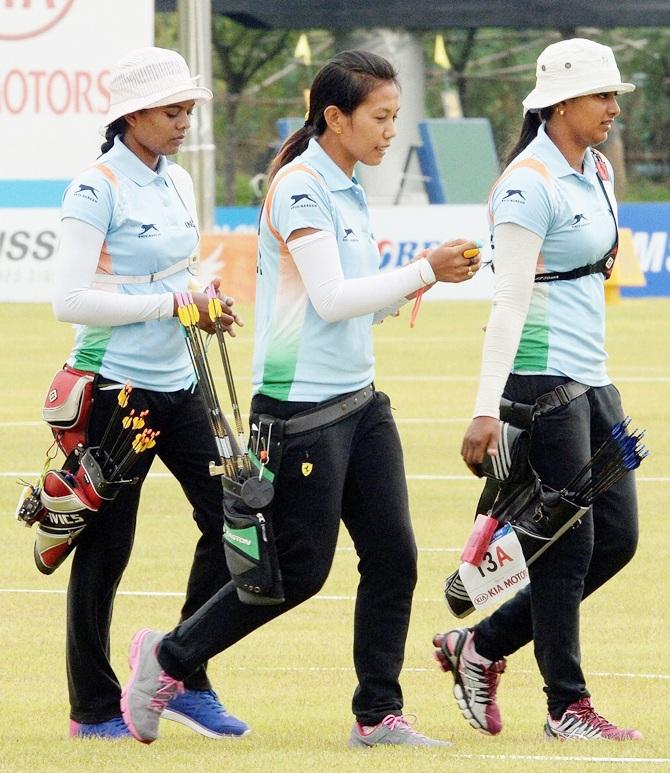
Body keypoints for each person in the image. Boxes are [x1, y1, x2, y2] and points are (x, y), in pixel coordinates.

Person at [119, 49, 481, 748]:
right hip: (300, 409)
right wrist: (420, 270)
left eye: (396, 118)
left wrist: (425, 278)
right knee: (295, 572)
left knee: (395, 555)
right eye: (380, 117)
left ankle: (377, 715)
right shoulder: (302, 186)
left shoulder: (346, 182)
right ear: (336, 117)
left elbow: (352, 304)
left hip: (359, 401)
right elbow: (333, 297)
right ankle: (167, 656)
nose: (389, 132)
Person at [433, 38, 643, 741]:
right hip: (542, 378)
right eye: (601, 96)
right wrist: (484, 407)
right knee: (570, 545)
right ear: (560, 104)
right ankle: (566, 706)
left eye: (615, 94)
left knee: (617, 536)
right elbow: (509, 303)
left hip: (593, 374)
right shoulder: (528, 183)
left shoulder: (598, 168)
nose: (614, 107)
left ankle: (481, 644)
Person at [52, 46, 249, 740]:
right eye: (172, 112)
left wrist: (205, 302)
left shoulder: (179, 180)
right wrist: (174, 303)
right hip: (115, 389)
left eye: (188, 111)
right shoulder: (96, 186)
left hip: (181, 380)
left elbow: (183, 275)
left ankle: (183, 668)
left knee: (235, 519)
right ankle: (93, 708)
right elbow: (69, 300)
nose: (183, 123)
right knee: (106, 549)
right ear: (132, 114)